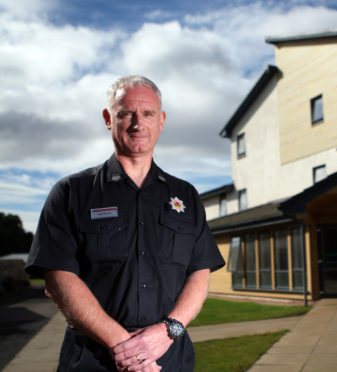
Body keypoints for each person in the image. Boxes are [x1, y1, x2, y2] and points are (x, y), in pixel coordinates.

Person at [25, 75, 225, 372]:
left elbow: (200, 272)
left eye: (147, 114)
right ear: (108, 118)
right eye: (126, 113)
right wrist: (127, 348)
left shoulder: (186, 196)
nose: (137, 123)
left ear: (161, 120)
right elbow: (58, 279)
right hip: (93, 360)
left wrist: (167, 331)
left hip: (169, 357)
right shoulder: (71, 193)